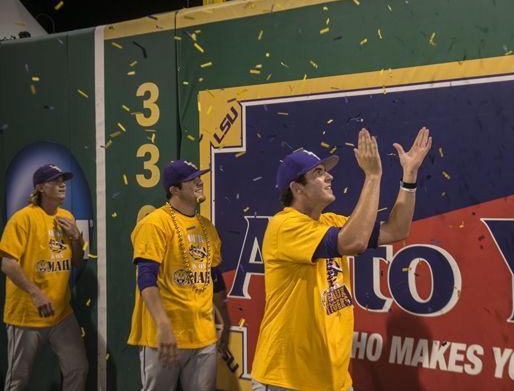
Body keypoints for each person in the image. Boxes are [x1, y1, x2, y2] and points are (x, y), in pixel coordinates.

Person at [251, 127, 432, 391]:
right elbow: (354, 242)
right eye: (318, 172)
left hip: (334, 382)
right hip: (287, 381)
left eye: (326, 171)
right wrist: (372, 176)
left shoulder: (331, 222)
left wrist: (410, 176)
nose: (329, 177)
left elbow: (397, 230)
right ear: (296, 188)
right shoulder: (284, 226)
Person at [127, 160, 231, 391]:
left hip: (203, 335)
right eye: (192, 179)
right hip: (164, 336)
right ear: (174, 190)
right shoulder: (155, 224)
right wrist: (163, 324)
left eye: (200, 177)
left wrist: (224, 316)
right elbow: (145, 279)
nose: (200, 182)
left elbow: (214, 278)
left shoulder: (207, 227)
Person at [0, 164, 88, 390]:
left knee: (78, 367)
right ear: (40, 187)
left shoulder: (67, 217)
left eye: (63, 181)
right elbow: (7, 263)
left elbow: (78, 261)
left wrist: (76, 237)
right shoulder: (23, 219)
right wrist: (36, 294)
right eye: (55, 181)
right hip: (27, 314)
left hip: (61, 312)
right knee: (18, 379)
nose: (62, 186)